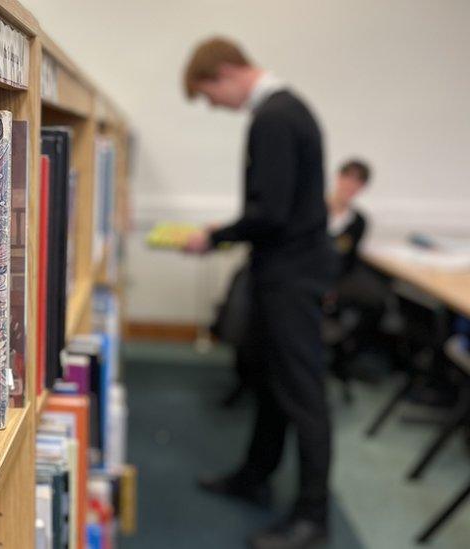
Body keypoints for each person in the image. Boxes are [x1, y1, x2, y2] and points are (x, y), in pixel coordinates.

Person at [181, 37, 336, 549]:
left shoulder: (273, 117)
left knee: (302, 393)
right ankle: (255, 475)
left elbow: (270, 212)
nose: (213, 106)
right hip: (291, 268)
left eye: (208, 94)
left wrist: (216, 236)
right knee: (271, 380)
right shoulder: (289, 109)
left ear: (227, 71)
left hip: (291, 274)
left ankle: (313, 518)